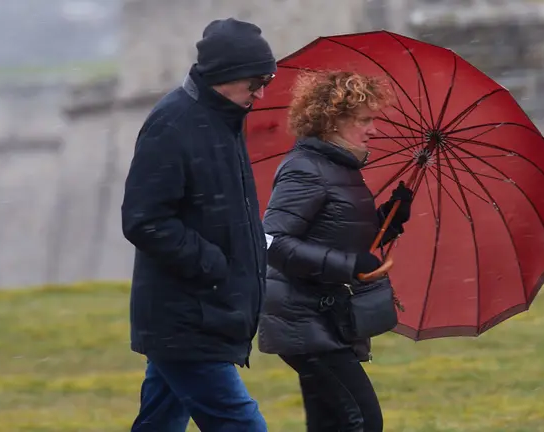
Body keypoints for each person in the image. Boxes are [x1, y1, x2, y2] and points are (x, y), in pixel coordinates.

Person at [121, 18, 276, 432]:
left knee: (160, 422)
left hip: (203, 313)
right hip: (188, 317)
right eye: (256, 82)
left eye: (268, 81)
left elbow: (223, 213)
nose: (261, 93)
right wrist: (213, 264)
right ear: (224, 75)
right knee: (243, 425)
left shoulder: (225, 121)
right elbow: (143, 220)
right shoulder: (173, 124)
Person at [257, 70, 414, 432]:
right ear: (332, 121)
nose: (373, 129)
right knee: (362, 421)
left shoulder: (339, 168)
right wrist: (349, 265)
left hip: (324, 318)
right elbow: (272, 242)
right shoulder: (305, 169)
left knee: (331, 424)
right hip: (302, 320)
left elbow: (337, 234)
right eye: (365, 120)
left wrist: (389, 219)